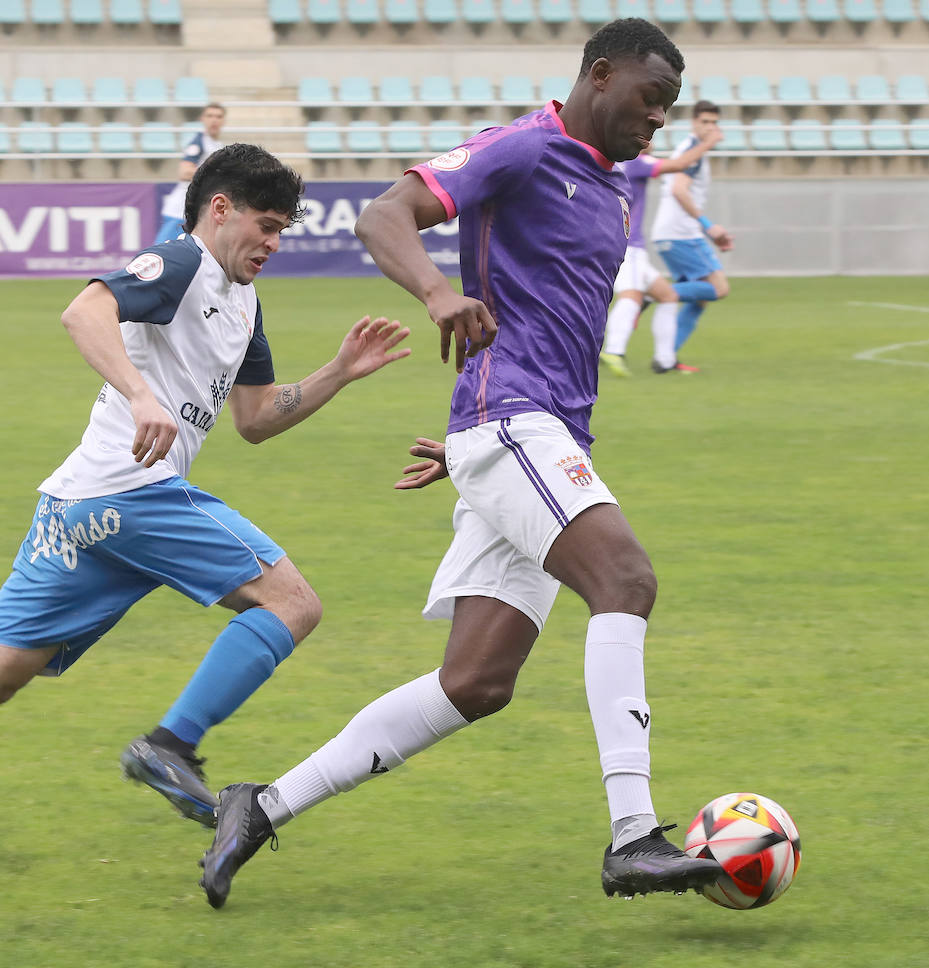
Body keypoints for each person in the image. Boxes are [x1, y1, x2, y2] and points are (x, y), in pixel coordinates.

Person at [0, 144, 412, 882]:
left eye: (283, 231)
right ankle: (171, 745)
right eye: (265, 225)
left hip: (79, 506)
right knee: (292, 601)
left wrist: (337, 372)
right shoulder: (179, 261)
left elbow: (257, 418)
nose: (272, 243)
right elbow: (84, 310)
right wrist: (140, 393)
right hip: (130, 493)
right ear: (220, 208)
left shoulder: (242, 300)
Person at [196, 19, 724, 909]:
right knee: (626, 582)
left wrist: (477, 449)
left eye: (669, 108)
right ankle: (634, 834)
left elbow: (550, 320)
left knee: (476, 682)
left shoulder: (617, 184)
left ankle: (263, 803)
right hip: (516, 426)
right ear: (600, 75)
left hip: (518, 434)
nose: (659, 121)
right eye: (649, 99)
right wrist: (440, 295)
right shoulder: (520, 147)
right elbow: (384, 212)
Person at [599, 132, 722, 377]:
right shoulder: (638, 162)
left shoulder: (617, 162)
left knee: (666, 295)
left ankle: (664, 361)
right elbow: (680, 165)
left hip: (628, 245)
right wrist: (707, 144)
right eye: (645, 135)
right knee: (631, 295)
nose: (650, 139)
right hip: (629, 246)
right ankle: (613, 350)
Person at [648, 100, 733, 371]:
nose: (710, 127)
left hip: (668, 233)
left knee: (701, 298)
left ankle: (666, 358)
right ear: (694, 123)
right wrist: (709, 226)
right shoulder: (692, 153)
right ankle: (650, 293)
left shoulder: (691, 151)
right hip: (682, 233)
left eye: (714, 122)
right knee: (719, 288)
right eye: (705, 122)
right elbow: (679, 190)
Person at [154, 104, 227, 245]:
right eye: (210, 116)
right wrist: (216, 176)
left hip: (196, 211)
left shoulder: (217, 145)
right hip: (180, 210)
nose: (214, 120)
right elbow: (184, 172)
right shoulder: (199, 143)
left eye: (218, 116)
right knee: (159, 255)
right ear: (202, 119)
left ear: (223, 121)